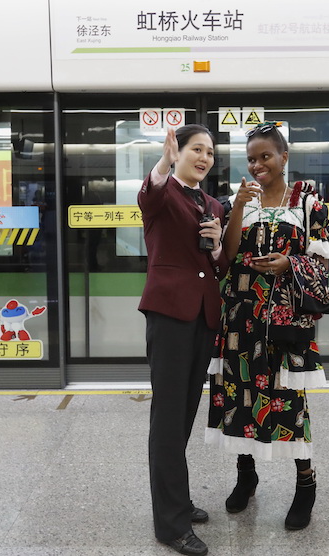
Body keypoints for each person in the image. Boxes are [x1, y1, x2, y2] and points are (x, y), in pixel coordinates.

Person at [205, 122, 329, 531]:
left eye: (265, 156)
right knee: (240, 395)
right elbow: (228, 257)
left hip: (284, 319)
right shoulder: (237, 201)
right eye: (251, 159)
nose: (257, 165)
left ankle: (305, 484)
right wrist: (238, 208)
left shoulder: (308, 203)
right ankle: (246, 476)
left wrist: (288, 263)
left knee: (290, 401)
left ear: (284, 157)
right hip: (240, 317)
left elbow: (321, 265)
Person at [137, 124, 228, 556]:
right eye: (197, 149)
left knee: (184, 414)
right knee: (168, 418)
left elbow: (218, 266)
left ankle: (178, 500)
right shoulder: (162, 193)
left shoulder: (212, 204)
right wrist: (164, 162)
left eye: (210, 152)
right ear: (179, 152)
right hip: (171, 315)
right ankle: (171, 524)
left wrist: (217, 247)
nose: (204, 157)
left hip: (203, 316)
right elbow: (150, 193)